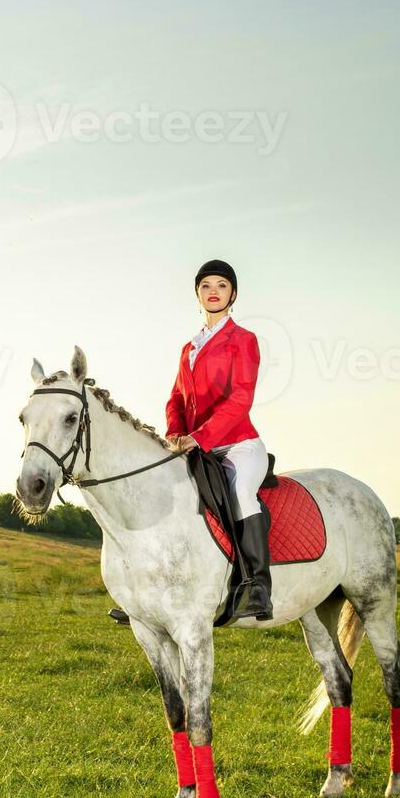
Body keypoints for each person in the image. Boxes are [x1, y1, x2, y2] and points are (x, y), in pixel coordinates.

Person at [107, 259, 273, 626]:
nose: (213, 291)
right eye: (206, 286)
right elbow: (176, 398)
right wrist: (174, 435)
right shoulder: (189, 348)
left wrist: (200, 436)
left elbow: (240, 399)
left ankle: (255, 584)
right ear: (197, 294)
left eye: (222, 285)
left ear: (233, 295)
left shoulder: (243, 340)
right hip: (194, 445)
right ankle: (143, 593)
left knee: (241, 492)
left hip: (237, 445)